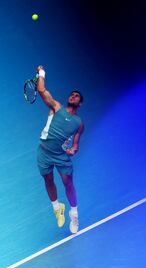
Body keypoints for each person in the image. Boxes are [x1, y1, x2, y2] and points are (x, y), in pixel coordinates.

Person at [36, 65, 85, 234]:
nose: (73, 96)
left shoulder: (79, 123)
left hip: (60, 156)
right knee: (48, 180)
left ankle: (74, 213)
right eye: (72, 94)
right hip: (44, 152)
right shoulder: (56, 107)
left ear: (80, 103)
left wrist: (74, 149)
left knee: (67, 183)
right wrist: (41, 73)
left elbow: (76, 143)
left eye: (77, 96)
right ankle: (58, 208)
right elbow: (41, 90)